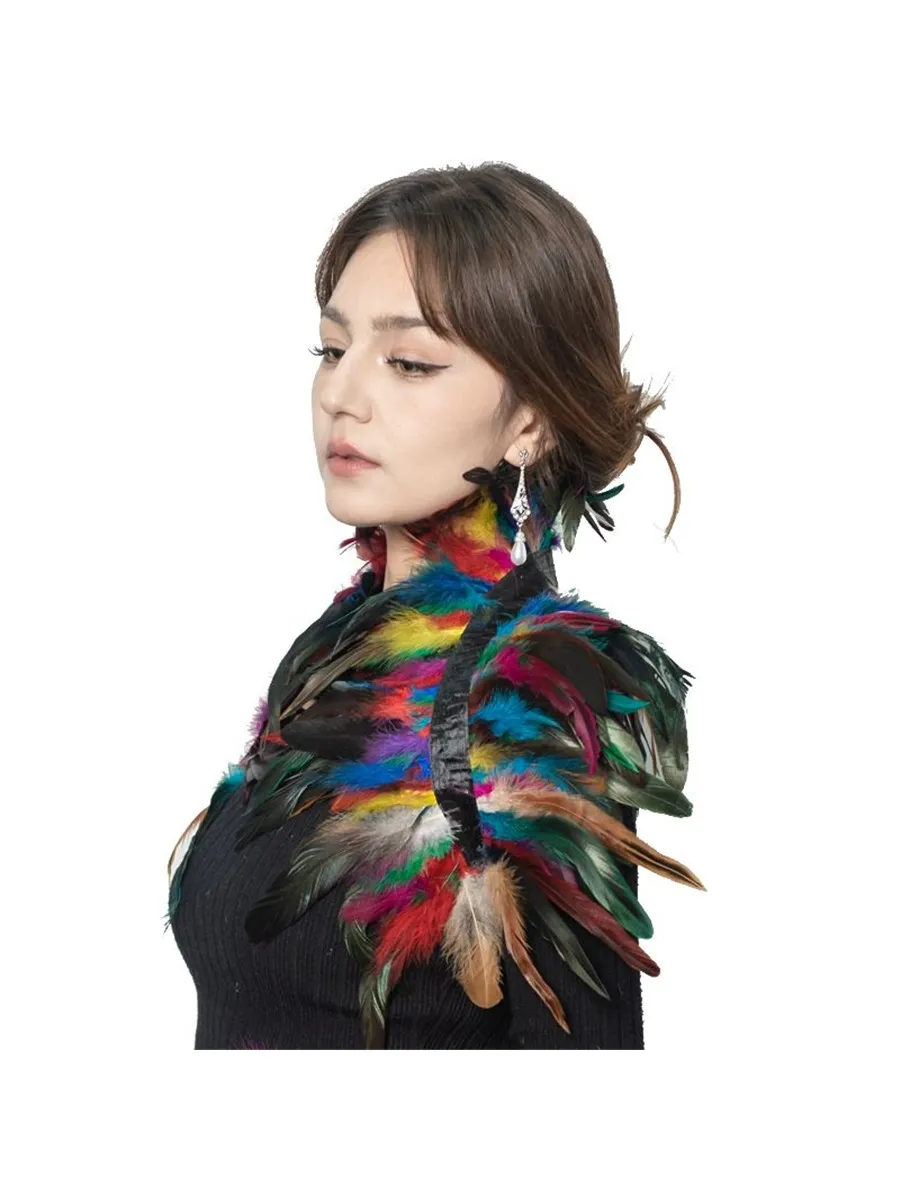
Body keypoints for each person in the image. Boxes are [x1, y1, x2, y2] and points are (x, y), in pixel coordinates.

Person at [165, 162, 705, 1050]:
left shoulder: (541, 688)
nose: (341, 395)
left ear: (530, 421)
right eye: (331, 350)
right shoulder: (333, 653)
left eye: (410, 362)